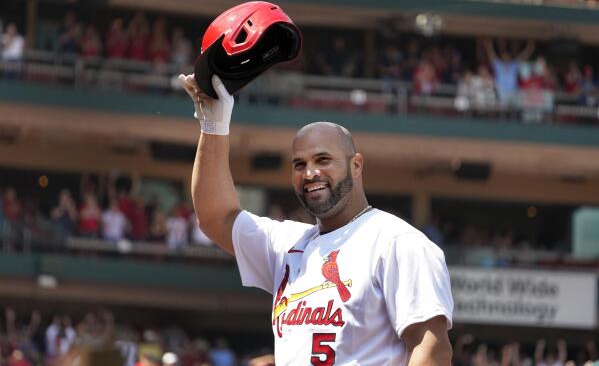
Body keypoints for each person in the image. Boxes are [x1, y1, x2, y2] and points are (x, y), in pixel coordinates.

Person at [178, 73, 454, 365]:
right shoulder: (289, 244)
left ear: (356, 165)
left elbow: (432, 349)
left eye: (323, 160)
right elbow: (216, 217)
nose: (310, 173)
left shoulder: (397, 242)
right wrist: (213, 125)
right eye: (300, 164)